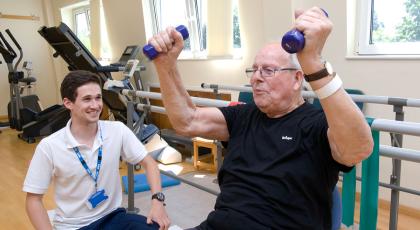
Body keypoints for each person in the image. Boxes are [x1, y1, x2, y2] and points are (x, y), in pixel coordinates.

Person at [147, 7, 373, 230]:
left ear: (296, 79)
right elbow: (187, 121)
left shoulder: (316, 124)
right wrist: (166, 66)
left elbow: (359, 148)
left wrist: (313, 62)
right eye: (254, 70)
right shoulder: (243, 115)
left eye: (268, 70)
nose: (255, 78)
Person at [23, 70, 170, 230]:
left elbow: (150, 164)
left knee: (155, 227)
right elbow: (33, 200)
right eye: (87, 99)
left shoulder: (117, 130)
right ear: (68, 103)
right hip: (74, 226)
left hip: (113, 217)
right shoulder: (49, 146)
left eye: (98, 98)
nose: (95, 105)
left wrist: (157, 202)